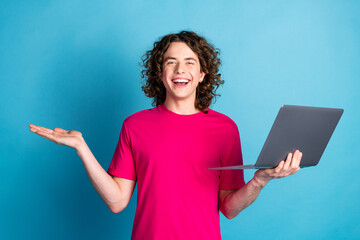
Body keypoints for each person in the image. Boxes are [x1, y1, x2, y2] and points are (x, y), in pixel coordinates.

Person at [29, 31, 303, 240]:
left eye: (189, 63)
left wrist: (260, 180)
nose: (180, 70)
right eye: (170, 62)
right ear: (159, 74)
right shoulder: (134, 126)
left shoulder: (225, 129)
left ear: (202, 74)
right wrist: (82, 148)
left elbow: (229, 208)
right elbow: (116, 201)